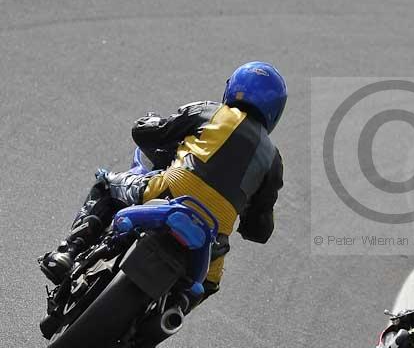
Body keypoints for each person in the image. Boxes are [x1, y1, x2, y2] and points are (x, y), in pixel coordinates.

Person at [39, 61, 286, 303]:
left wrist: (148, 121)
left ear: (232, 88)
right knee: (208, 283)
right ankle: (170, 314)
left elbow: (149, 132)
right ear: (275, 111)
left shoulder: (211, 111)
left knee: (106, 185)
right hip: (214, 233)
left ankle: (68, 252)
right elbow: (259, 230)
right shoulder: (273, 160)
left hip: (166, 191)